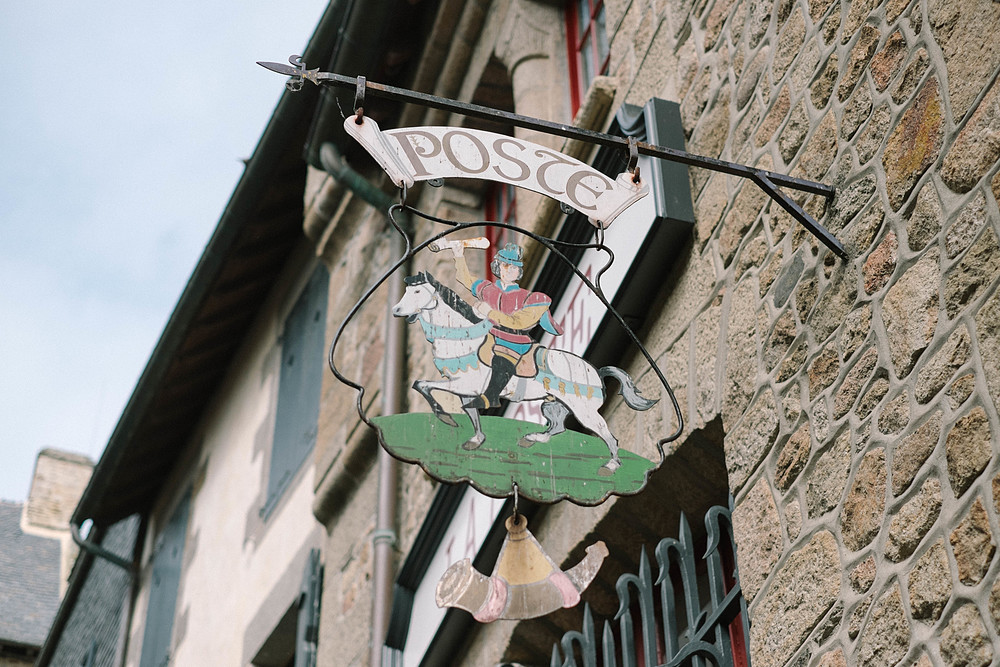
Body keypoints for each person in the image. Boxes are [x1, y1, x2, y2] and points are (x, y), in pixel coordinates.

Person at [451, 241, 562, 409]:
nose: (510, 270)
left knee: (503, 356)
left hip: (514, 340)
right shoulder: (487, 288)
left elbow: (518, 323)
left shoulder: (529, 298)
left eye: (514, 267)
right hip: (489, 334)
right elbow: (464, 278)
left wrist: (489, 312)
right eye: (506, 266)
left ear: (519, 271)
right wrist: (459, 255)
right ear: (498, 267)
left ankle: (490, 397)